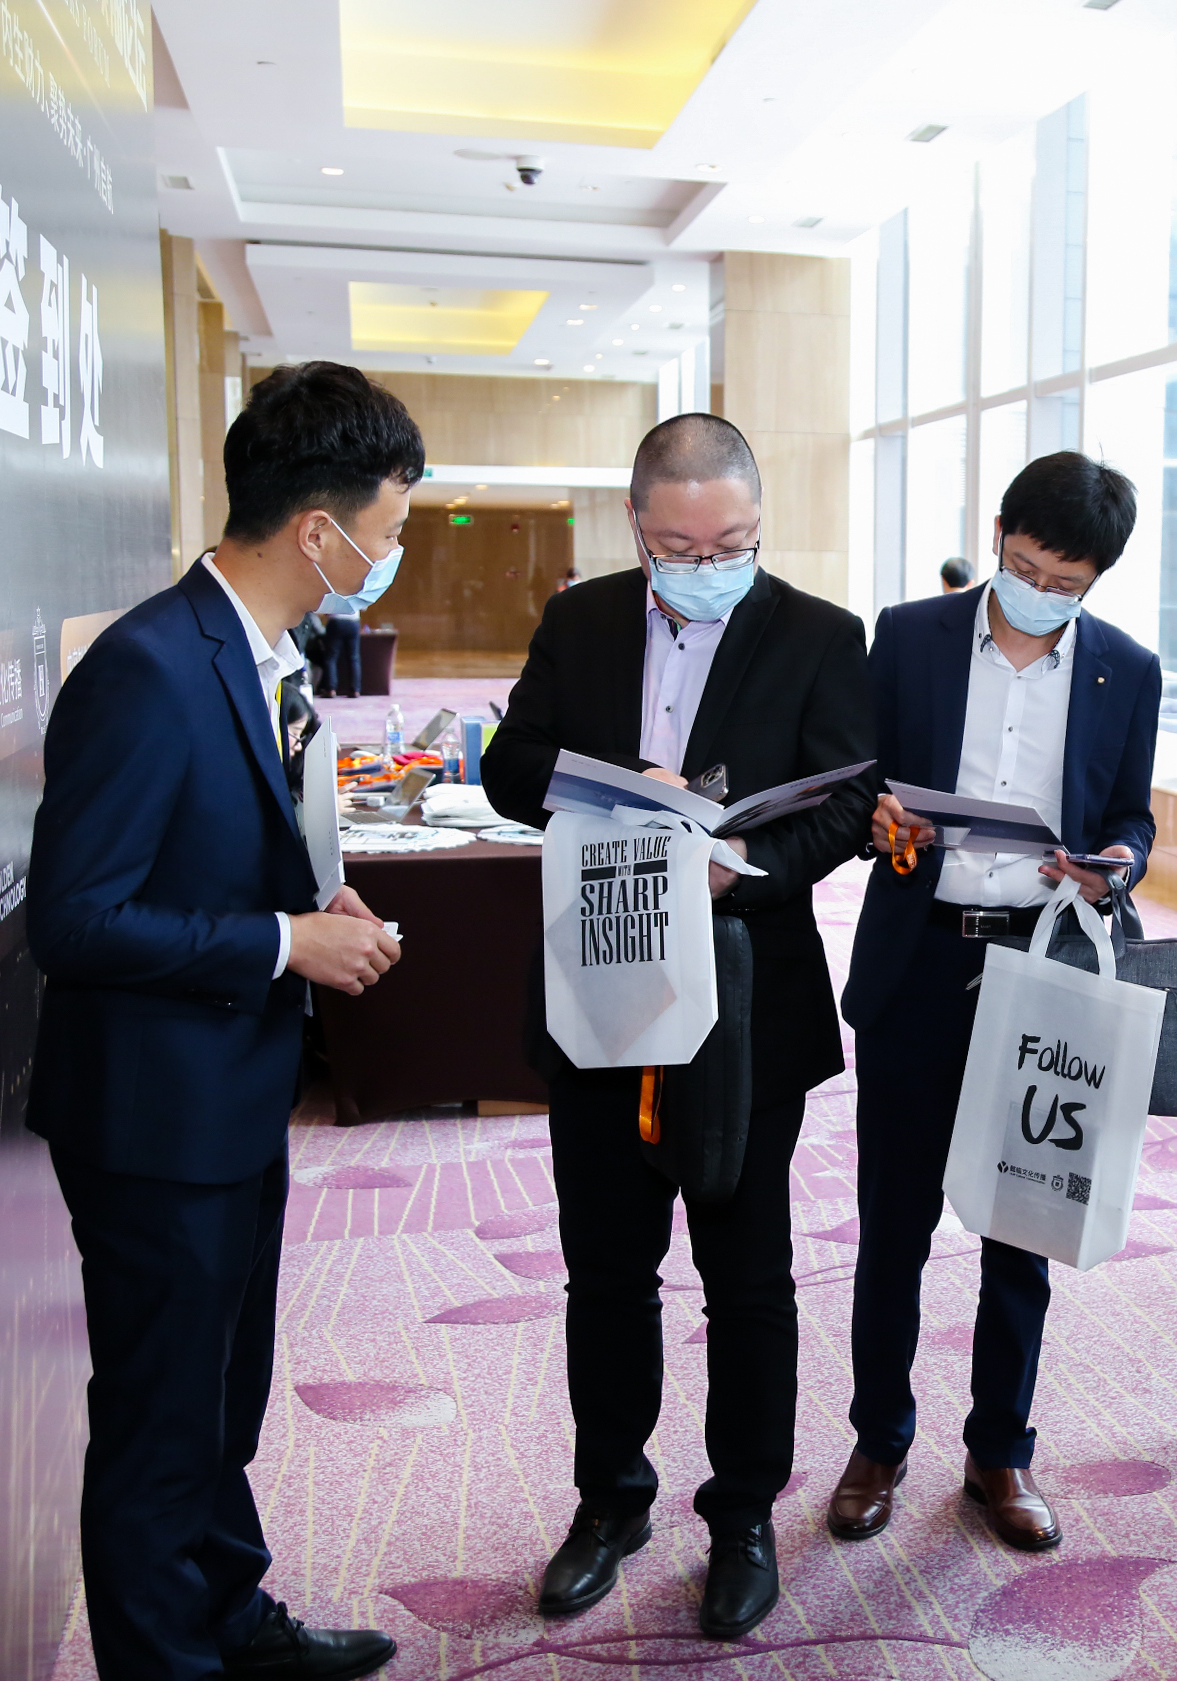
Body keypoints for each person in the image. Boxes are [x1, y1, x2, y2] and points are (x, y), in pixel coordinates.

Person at [28, 361, 416, 1681]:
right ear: (318, 531)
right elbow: (75, 919)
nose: (390, 555)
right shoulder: (150, 667)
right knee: (157, 1424)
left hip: (234, 1095)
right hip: (152, 1117)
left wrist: (311, 898)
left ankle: (232, 1618)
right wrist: (283, 942)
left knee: (221, 1400)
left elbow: (227, 846)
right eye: (388, 528)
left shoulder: (259, 654)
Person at [482, 413, 873, 1643]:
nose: (710, 566)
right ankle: (610, 1501)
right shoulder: (581, 619)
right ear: (636, 527)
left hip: (745, 992)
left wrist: (735, 866)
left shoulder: (818, 634)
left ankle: (743, 1516)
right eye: (683, 547)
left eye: (734, 543)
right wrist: (613, 791)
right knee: (605, 1271)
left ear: (759, 522)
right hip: (602, 977)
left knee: (747, 1278)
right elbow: (509, 767)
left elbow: (847, 806)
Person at [834, 453, 1160, 1553]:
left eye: (1067, 585)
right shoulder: (908, 636)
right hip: (921, 957)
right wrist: (880, 817)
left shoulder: (1125, 668)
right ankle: (878, 1440)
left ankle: (1000, 1450)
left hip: (1041, 963)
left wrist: (1117, 862)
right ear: (998, 535)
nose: (1040, 593)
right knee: (893, 1223)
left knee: (1024, 1223)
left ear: (1096, 580)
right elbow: (859, 780)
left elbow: (1130, 817)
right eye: (1025, 568)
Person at [322, 598, 362, 696]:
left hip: (336, 621)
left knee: (331, 657)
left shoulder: (334, 588)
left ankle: (331, 689)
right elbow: (363, 606)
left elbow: (326, 609)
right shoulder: (356, 589)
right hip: (353, 621)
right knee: (354, 658)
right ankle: (355, 689)